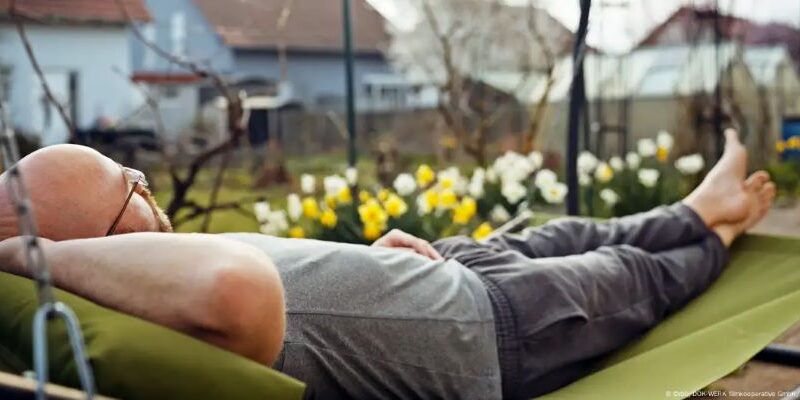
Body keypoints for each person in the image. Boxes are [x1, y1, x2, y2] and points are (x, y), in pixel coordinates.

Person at [0, 129, 776, 399]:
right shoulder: (131, 284)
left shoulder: (132, 268)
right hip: (496, 328)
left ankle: (699, 206)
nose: (148, 189)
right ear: (82, 244)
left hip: (450, 274)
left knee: (570, 231)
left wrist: (359, 260)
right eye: (129, 190)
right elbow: (237, 289)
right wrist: (38, 255)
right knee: (632, 274)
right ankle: (721, 232)